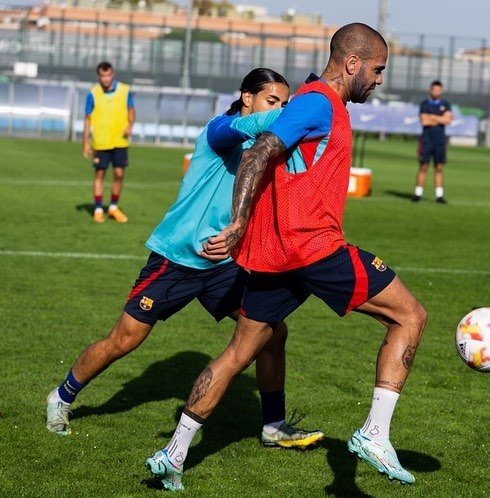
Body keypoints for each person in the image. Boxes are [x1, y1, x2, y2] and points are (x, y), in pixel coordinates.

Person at [146, 22, 427, 490]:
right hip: (313, 248)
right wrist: (237, 223)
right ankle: (376, 433)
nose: (379, 80)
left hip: (278, 256)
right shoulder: (318, 102)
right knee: (410, 316)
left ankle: (173, 454)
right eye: (377, 70)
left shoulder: (319, 103)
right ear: (352, 63)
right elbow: (258, 154)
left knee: (240, 351)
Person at [47, 68, 324, 451]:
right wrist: (310, 106)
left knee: (272, 333)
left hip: (222, 267)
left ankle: (273, 425)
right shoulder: (219, 131)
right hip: (174, 260)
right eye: (272, 100)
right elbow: (265, 125)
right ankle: (61, 396)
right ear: (247, 98)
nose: (279, 109)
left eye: (284, 103)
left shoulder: (265, 150)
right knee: (123, 340)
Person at [83, 61, 136, 223]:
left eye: (108, 75)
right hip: (100, 141)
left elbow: (131, 111)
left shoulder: (125, 91)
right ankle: (98, 208)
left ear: (112, 74)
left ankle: (113, 207)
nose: (106, 79)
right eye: (103, 75)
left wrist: (130, 125)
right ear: (99, 76)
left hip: (120, 141)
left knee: (119, 173)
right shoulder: (93, 94)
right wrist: (85, 143)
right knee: (100, 173)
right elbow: (87, 119)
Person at [411, 80, 452, 203]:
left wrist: (433, 118)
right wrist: (440, 118)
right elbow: (424, 121)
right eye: (434, 89)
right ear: (430, 90)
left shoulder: (446, 104)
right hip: (427, 140)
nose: (436, 92)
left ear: (441, 90)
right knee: (423, 166)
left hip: (440, 141)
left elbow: (448, 120)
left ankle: (439, 195)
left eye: (439, 89)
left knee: (439, 167)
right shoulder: (425, 104)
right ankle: (418, 193)